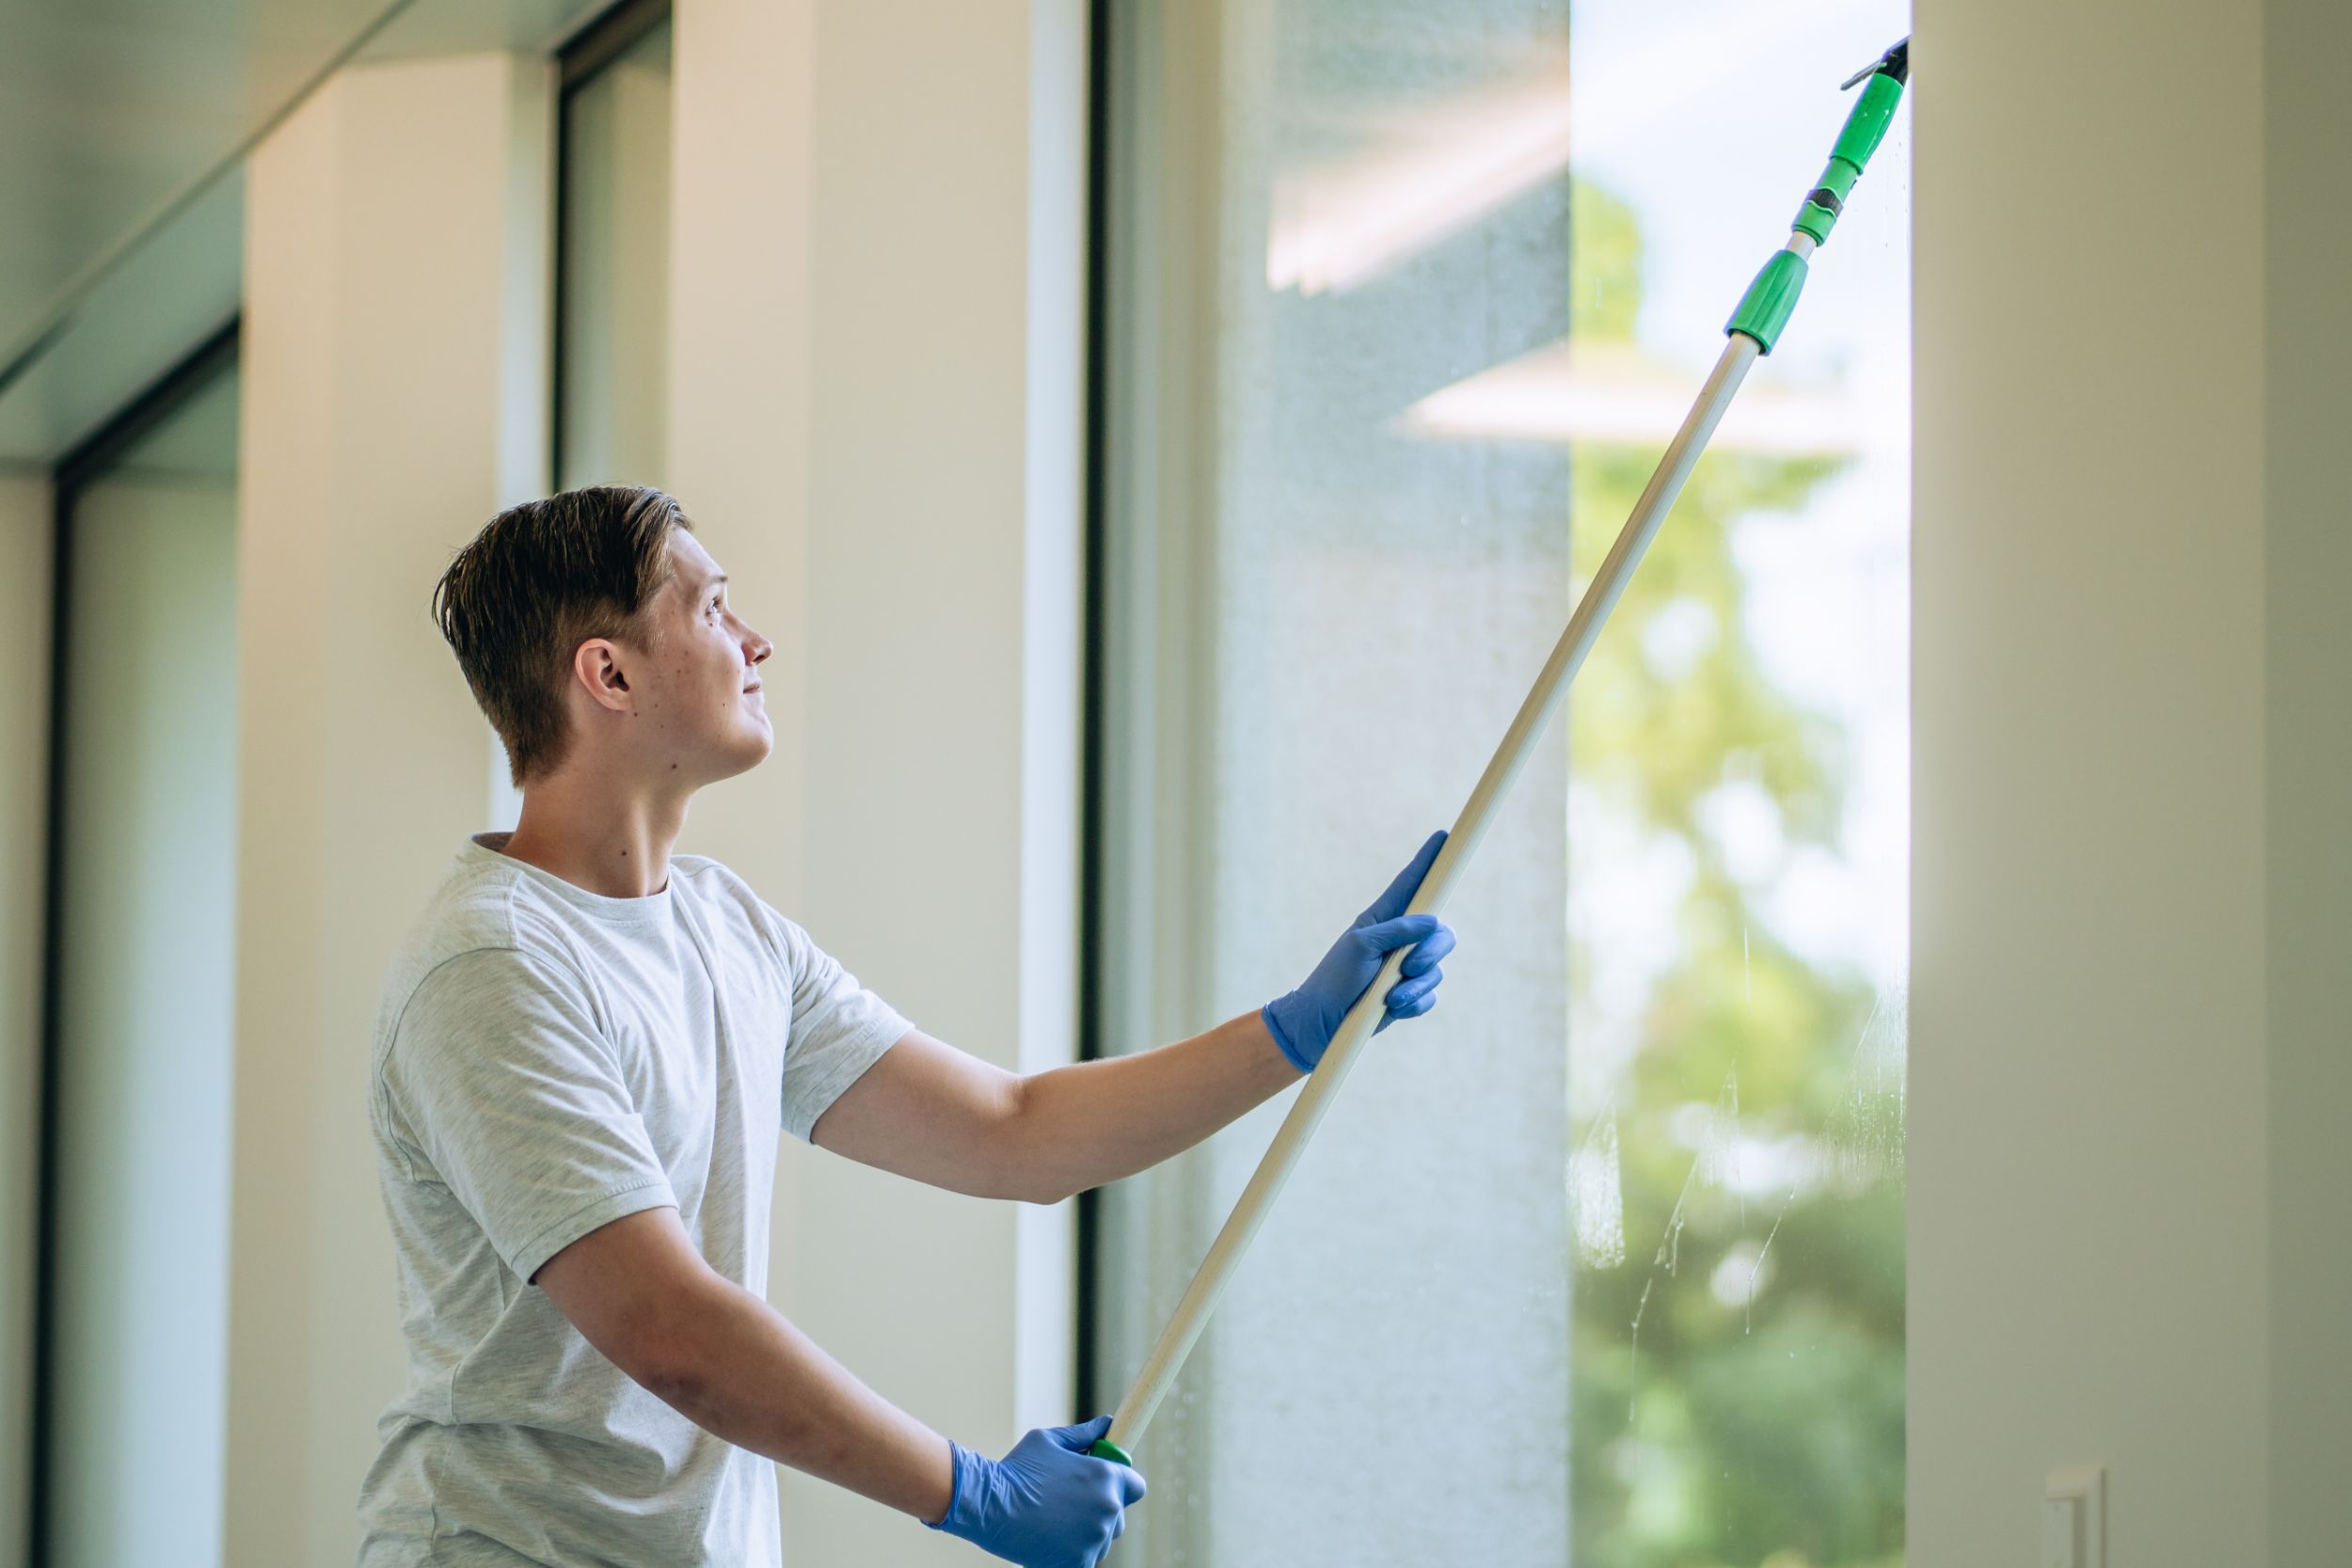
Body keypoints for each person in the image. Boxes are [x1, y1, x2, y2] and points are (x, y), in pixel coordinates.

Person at [355, 485, 1454, 1568]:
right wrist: (972, 1491)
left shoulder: (724, 925)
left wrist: (1296, 1029)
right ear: (609, 672)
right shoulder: (493, 966)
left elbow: (1008, 1129)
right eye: (713, 608)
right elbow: (670, 1329)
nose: (758, 641)